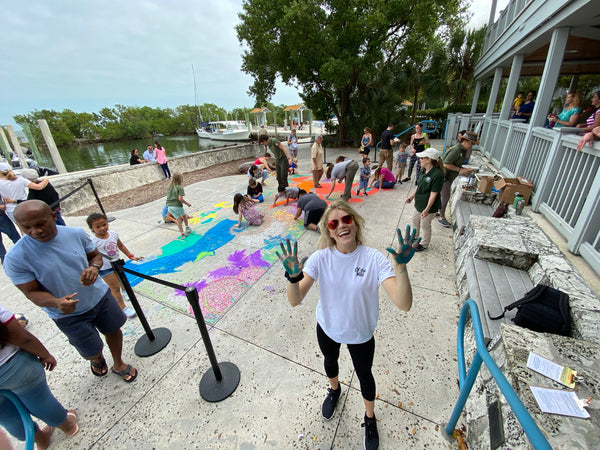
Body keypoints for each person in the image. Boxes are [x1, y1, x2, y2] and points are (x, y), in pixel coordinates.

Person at [276, 201, 416, 450]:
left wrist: (401, 268)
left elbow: (403, 304)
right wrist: (293, 277)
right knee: (330, 362)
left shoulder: (374, 259)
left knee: (365, 376)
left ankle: (369, 418)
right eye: (334, 223)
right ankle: (334, 390)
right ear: (329, 231)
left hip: (361, 334)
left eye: (346, 220)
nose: (341, 226)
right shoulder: (320, 258)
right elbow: (295, 300)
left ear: (355, 222)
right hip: (328, 328)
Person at [3, 200, 138, 383]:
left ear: (53, 216)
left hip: (99, 297)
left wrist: (94, 268)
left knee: (114, 331)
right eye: (26, 227)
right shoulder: (15, 258)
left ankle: (118, 362)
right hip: (67, 314)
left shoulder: (75, 234)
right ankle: (97, 359)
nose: (35, 231)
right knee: (91, 349)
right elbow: (31, 292)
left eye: (40, 224)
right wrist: (56, 302)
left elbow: (95, 256)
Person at [0, 304, 79, 449]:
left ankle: (39, 439)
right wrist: (44, 354)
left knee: (5, 415)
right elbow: (22, 338)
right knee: (40, 400)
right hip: (11, 366)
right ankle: (68, 427)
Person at [87, 213, 142, 319]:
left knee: (121, 280)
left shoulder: (113, 234)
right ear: (92, 228)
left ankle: (125, 291)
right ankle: (123, 308)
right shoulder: (93, 242)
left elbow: (120, 246)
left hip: (116, 263)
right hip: (104, 268)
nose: (103, 228)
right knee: (114, 288)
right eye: (98, 227)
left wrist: (131, 256)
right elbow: (90, 255)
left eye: (104, 224)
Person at [404, 148, 444, 252]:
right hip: (419, 203)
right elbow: (419, 185)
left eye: (422, 158)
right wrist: (411, 196)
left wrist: (427, 209)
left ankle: (424, 244)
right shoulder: (423, 169)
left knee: (425, 224)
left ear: (429, 159)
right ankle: (415, 236)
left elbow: (433, 194)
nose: (420, 159)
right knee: (414, 219)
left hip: (429, 206)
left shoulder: (437, 175)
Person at [438, 131, 477, 227]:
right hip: (445, 177)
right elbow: (446, 164)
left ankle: (436, 211)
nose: (471, 146)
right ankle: (441, 217)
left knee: (440, 195)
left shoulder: (462, 150)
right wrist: (460, 170)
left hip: (449, 177)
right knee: (445, 197)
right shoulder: (456, 150)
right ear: (465, 141)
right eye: (471, 143)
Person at [166, 173, 191, 239]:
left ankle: (182, 234)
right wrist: (187, 203)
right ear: (180, 180)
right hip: (176, 205)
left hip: (169, 206)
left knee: (178, 220)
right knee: (184, 216)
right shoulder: (179, 188)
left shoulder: (169, 187)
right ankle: (187, 228)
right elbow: (180, 199)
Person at [0, 194, 20, 264]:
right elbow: (2, 207)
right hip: (1, 219)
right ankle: (22, 253)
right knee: (14, 236)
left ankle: (4, 259)